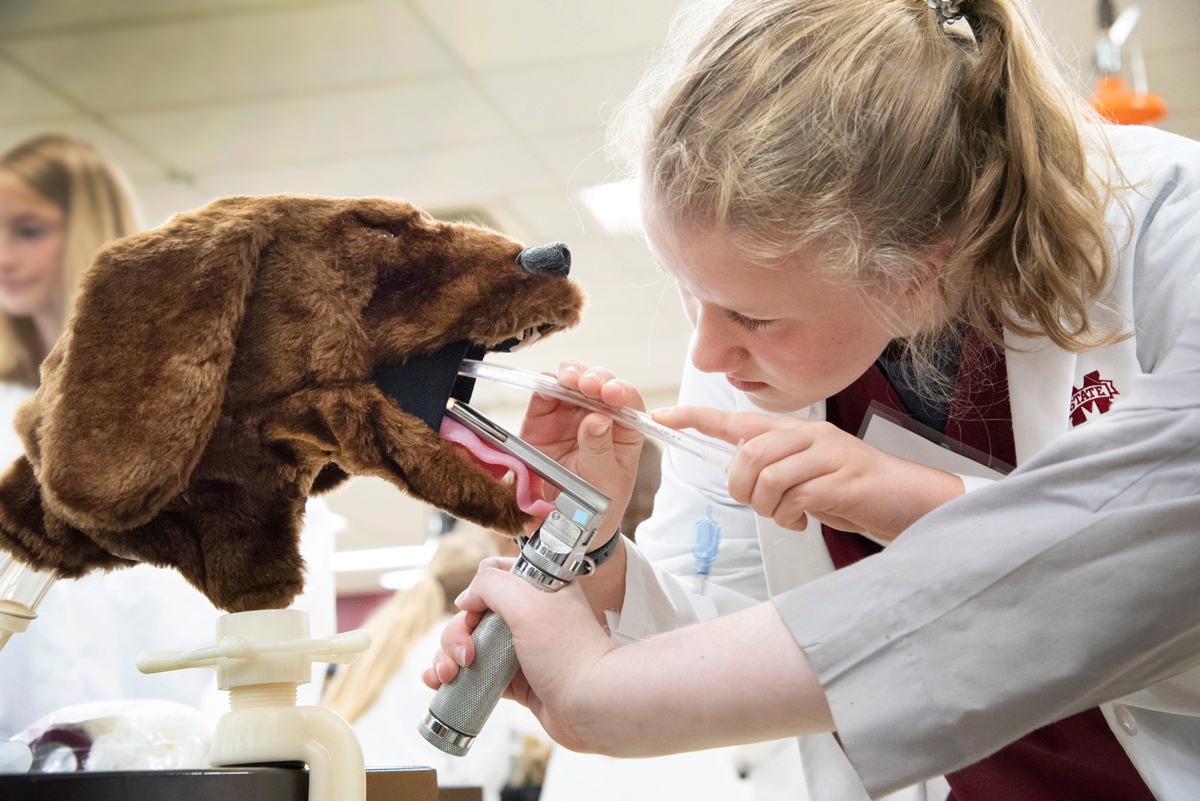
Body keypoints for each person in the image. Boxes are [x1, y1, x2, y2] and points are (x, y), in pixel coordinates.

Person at [426, 1, 1200, 800]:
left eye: (753, 317)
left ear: (919, 270)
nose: (706, 354)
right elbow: (726, 630)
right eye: (690, 294)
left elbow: (1163, 581)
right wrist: (593, 550)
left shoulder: (1171, 235)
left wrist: (923, 507)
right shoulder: (752, 341)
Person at [0, 134, 340, 735]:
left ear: (87, 225)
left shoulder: (193, 394)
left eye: (28, 230)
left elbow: (265, 593)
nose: (4, 253)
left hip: (176, 753)